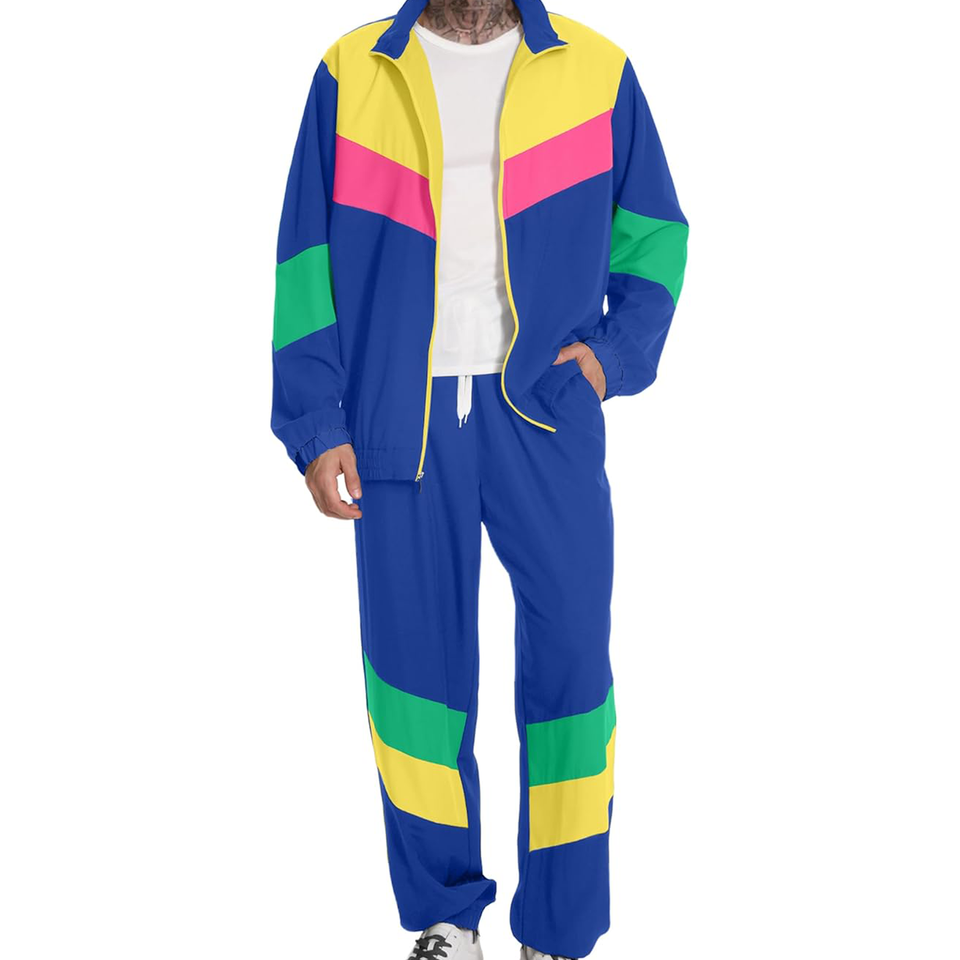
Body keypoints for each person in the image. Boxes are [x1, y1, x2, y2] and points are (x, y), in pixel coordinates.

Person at [270, 0, 687, 955]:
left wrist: (610, 359)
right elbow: (304, 259)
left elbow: (655, 235)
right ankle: (446, 920)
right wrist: (317, 420)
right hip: (398, 417)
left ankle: (558, 930)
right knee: (414, 679)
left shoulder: (597, 70)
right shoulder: (351, 72)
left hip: (543, 408)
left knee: (572, 666)